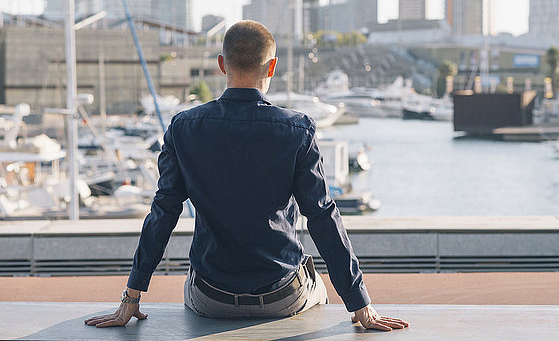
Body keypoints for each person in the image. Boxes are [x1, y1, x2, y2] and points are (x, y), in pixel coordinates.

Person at [85, 20, 409, 332]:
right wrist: (359, 303)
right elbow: (322, 216)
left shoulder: (183, 127)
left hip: (211, 298)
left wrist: (132, 295)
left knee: (197, 277)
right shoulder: (297, 129)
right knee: (318, 288)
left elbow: (163, 211)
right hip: (283, 296)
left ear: (222, 65)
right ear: (271, 67)